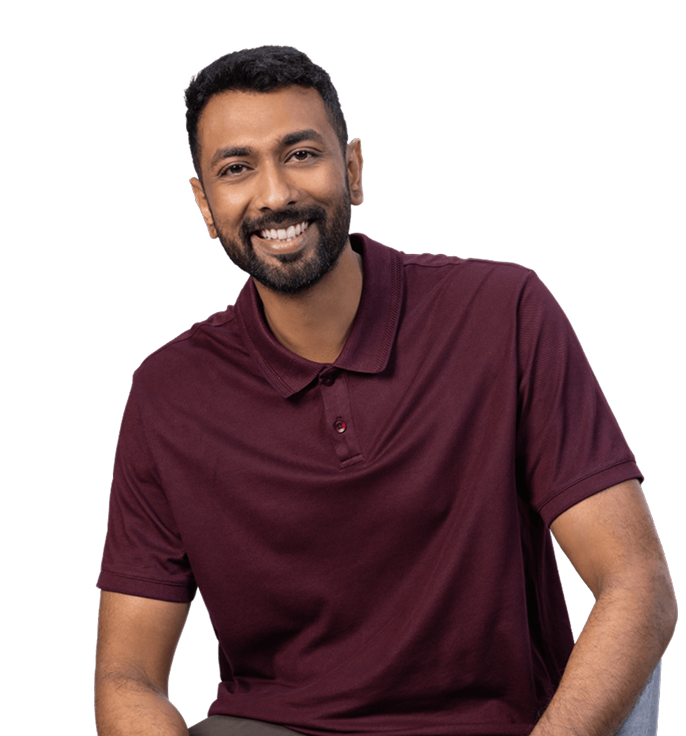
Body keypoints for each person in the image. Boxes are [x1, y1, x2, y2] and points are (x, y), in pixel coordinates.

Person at [94, 46, 676, 736]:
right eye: (237, 168)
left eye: (301, 154)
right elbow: (127, 676)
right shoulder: (168, 393)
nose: (274, 195)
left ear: (354, 170)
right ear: (204, 204)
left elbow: (637, 584)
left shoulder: (502, 312)